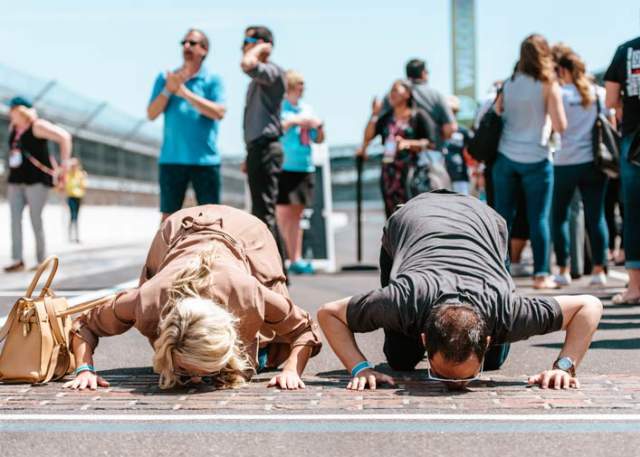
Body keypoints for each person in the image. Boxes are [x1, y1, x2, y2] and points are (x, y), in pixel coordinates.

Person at [318, 191, 602, 391]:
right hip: (411, 218)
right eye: (439, 374)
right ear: (424, 337)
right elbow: (329, 314)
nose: (454, 387)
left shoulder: (506, 311)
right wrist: (360, 368)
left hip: (484, 221)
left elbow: (589, 306)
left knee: (493, 364)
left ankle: (483, 359)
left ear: (488, 338)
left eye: (466, 377)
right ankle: (408, 348)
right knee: (400, 360)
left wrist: (564, 366)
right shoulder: (402, 300)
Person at [64, 205, 322, 391]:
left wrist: (291, 369)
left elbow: (304, 329)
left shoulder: (249, 293)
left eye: (207, 372)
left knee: (273, 348)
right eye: (186, 372)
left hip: (247, 233)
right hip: (178, 231)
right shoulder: (148, 300)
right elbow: (85, 324)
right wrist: (84, 369)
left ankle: (249, 355)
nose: (196, 382)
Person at [493, 34, 568, 290]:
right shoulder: (548, 83)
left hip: (505, 156)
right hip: (536, 157)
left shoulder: (508, 83)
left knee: (502, 218)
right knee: (539, 218)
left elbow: (497, 114)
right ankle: (541, 275)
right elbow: (560, 124)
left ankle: (499, 274)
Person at [147, 28, 226, 222]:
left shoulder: (213, 80)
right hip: (171, 159)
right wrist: (168, 89)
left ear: (204, 50)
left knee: (210, 217)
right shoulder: (166, 78)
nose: (187, 46)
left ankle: (211, 253)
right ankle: (166, 253)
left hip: (205, 161)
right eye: (184, 43)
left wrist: (183, 93)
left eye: (192, 43)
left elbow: (219, 112)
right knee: (169, 218)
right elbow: (151, 113)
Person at [551, 46, 610, 287]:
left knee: (560, 216)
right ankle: (599, 270)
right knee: (597, 216)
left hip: (564, 161)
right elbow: (611, 122)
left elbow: (554, 126)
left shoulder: (559, 94)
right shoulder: (598, 93)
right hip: (594, 162)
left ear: (562, 70)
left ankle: (563, 269)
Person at [4, 96, 71, 272]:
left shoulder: (37, 126)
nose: (9, 112)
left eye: (12, 109)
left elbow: (65, 137)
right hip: (16, 180)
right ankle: (18, 259)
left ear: (22, 110)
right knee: (14, 220)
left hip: (36, 181)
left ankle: (42, 260)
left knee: (35, 219)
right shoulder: (13, 127)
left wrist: (64, 165)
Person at [241, 25, 287, 265]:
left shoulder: (272, 71)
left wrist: (258, 48)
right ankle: (273, 268)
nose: (242, 46)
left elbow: (247, 64)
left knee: (264, 214)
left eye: (247, 40)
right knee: (261, 212)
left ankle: (274, 269)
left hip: (267, 148)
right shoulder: (259, 79)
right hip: (257, 148)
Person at [357, 80, 432, 218]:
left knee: (412, 212)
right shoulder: (386, 118)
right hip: (389, 173)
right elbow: (368, 137)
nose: (392, 94)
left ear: (407, 94)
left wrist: (408, 143)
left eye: (396, 90)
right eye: (391, 91)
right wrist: (374, 114)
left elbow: (430, 143)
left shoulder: (418, 116)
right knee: (392, 215)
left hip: (411, 172)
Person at [276, 70, 325, 275]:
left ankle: (296, 258)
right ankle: (281, 255)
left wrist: (319, 127)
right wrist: (298, 121)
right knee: (282, 213)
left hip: (304, 165)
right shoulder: (281, 107)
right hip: (284, 165)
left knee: (297, 214)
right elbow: (278, 128)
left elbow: (318, 138)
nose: (303, 87)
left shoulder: (307, 108)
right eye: (300, 83)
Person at [605, 34, 640, 305]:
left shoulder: (626, 50)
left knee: (634, 212)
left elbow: (610, 99)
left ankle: (635, 287)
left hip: (634, 139)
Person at [402, 58, 457, 149]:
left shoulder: (395, 94)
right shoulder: (435, 95)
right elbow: (451, 128)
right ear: (423, 73)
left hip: (399, 154)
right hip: (429, 153)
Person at [443, 95, 471, 195]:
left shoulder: (463, 131)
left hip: (460, 175)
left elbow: (473, 151)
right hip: (440, 176)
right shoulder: (435, 130)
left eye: (453, 111)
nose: (450, 114)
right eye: (448, 111)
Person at [64, 158, 88, 243]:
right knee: (72, 216)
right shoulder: (68, 175)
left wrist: (84, 179)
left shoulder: (80, 175)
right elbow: (66, 186)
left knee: (76, 217)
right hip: (71, 197)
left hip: (78, 197)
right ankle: (70, 236)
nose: (74, 167)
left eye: (75, 166)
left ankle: (77, 236)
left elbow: (84, 185)